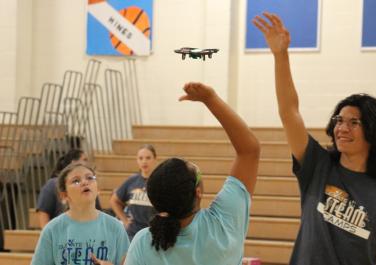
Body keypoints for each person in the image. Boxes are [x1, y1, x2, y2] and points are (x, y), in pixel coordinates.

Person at [253, 13, 376, 265]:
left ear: (373, 131)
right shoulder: (317, 166)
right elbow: (289, 112)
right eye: (339, 121)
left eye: (354, 123)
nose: (342, 128)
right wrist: (280, 56)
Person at [124, 82, 260, 265]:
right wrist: (210, 99)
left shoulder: (143, 242)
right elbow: (249, 150)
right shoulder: (222, 224)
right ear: (198, 192)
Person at [31, 162, 129, 265]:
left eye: (90, 178)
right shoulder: (52, 229)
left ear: (98, 189)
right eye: (76, 181)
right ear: (64, 196)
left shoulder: (115, 227)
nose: (84, 182)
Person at [36, 149, 101, 229]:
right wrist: (49, 237)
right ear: (74, 163)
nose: (87, 163)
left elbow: (98, 213)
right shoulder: (52, 184)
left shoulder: (90, 185)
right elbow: (43, 213)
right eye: (85, 160)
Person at [110, 144, 158, 240]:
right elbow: (114, 201)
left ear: (155, 159)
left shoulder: (160, 182)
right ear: (137, 160)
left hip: (154, 234)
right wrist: (125, 220)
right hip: (133, 234)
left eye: (148, 158)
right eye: (141, 158)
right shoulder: (132, 180)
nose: (144, 161)